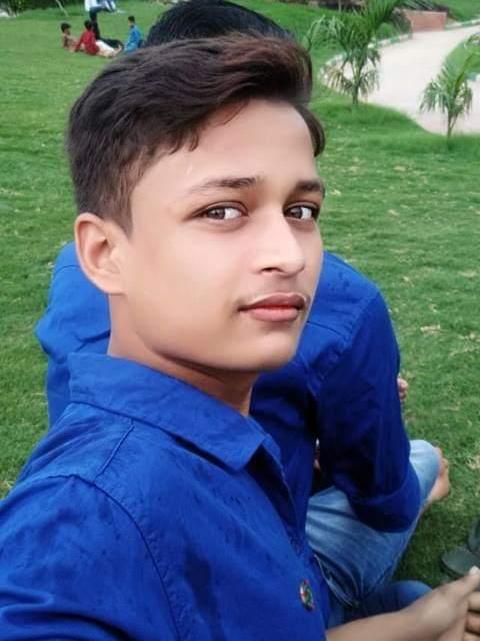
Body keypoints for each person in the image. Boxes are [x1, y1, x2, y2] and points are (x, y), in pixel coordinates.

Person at [1, 34, 480, 640]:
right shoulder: (76, 527)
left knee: (415, 598)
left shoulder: (223, 434)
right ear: (104, 254)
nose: (289, 255)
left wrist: (420, 621)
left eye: (301, 211)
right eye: (222, 210)